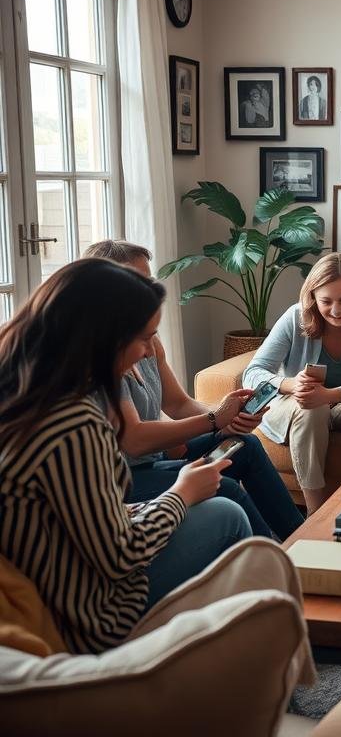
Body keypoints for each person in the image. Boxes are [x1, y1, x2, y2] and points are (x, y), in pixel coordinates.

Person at [0, 259, 252, 653]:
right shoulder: (74, 423)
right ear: (105, 338)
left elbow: (79, 519)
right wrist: (181, 493)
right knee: (228, 516)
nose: (150, 349)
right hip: (84, 612)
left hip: (53, 576)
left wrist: (152, 504)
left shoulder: (24, 391)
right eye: (144, 337)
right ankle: (252, 672)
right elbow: (120, 554)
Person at [83, 240, 304, 542]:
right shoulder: (101, 355)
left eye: (149, 282)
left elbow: (177, 404)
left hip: (155, 459)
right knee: (222, 486)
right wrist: (214, 418)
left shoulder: (148, 341)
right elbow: (133, 440)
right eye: (136, 283)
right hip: (121, 479)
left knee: (246, 446)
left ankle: (302, 542)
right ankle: (269, 563)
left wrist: (228, 419)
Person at [244, 252, 341, 514]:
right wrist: (290, 385)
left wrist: (330, 395)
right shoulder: (295, 317)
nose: (336, 310)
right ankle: (316, 514)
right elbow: (253, 372)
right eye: (326, 301)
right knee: (311, 408)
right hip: (300, 404)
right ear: (313, 296)